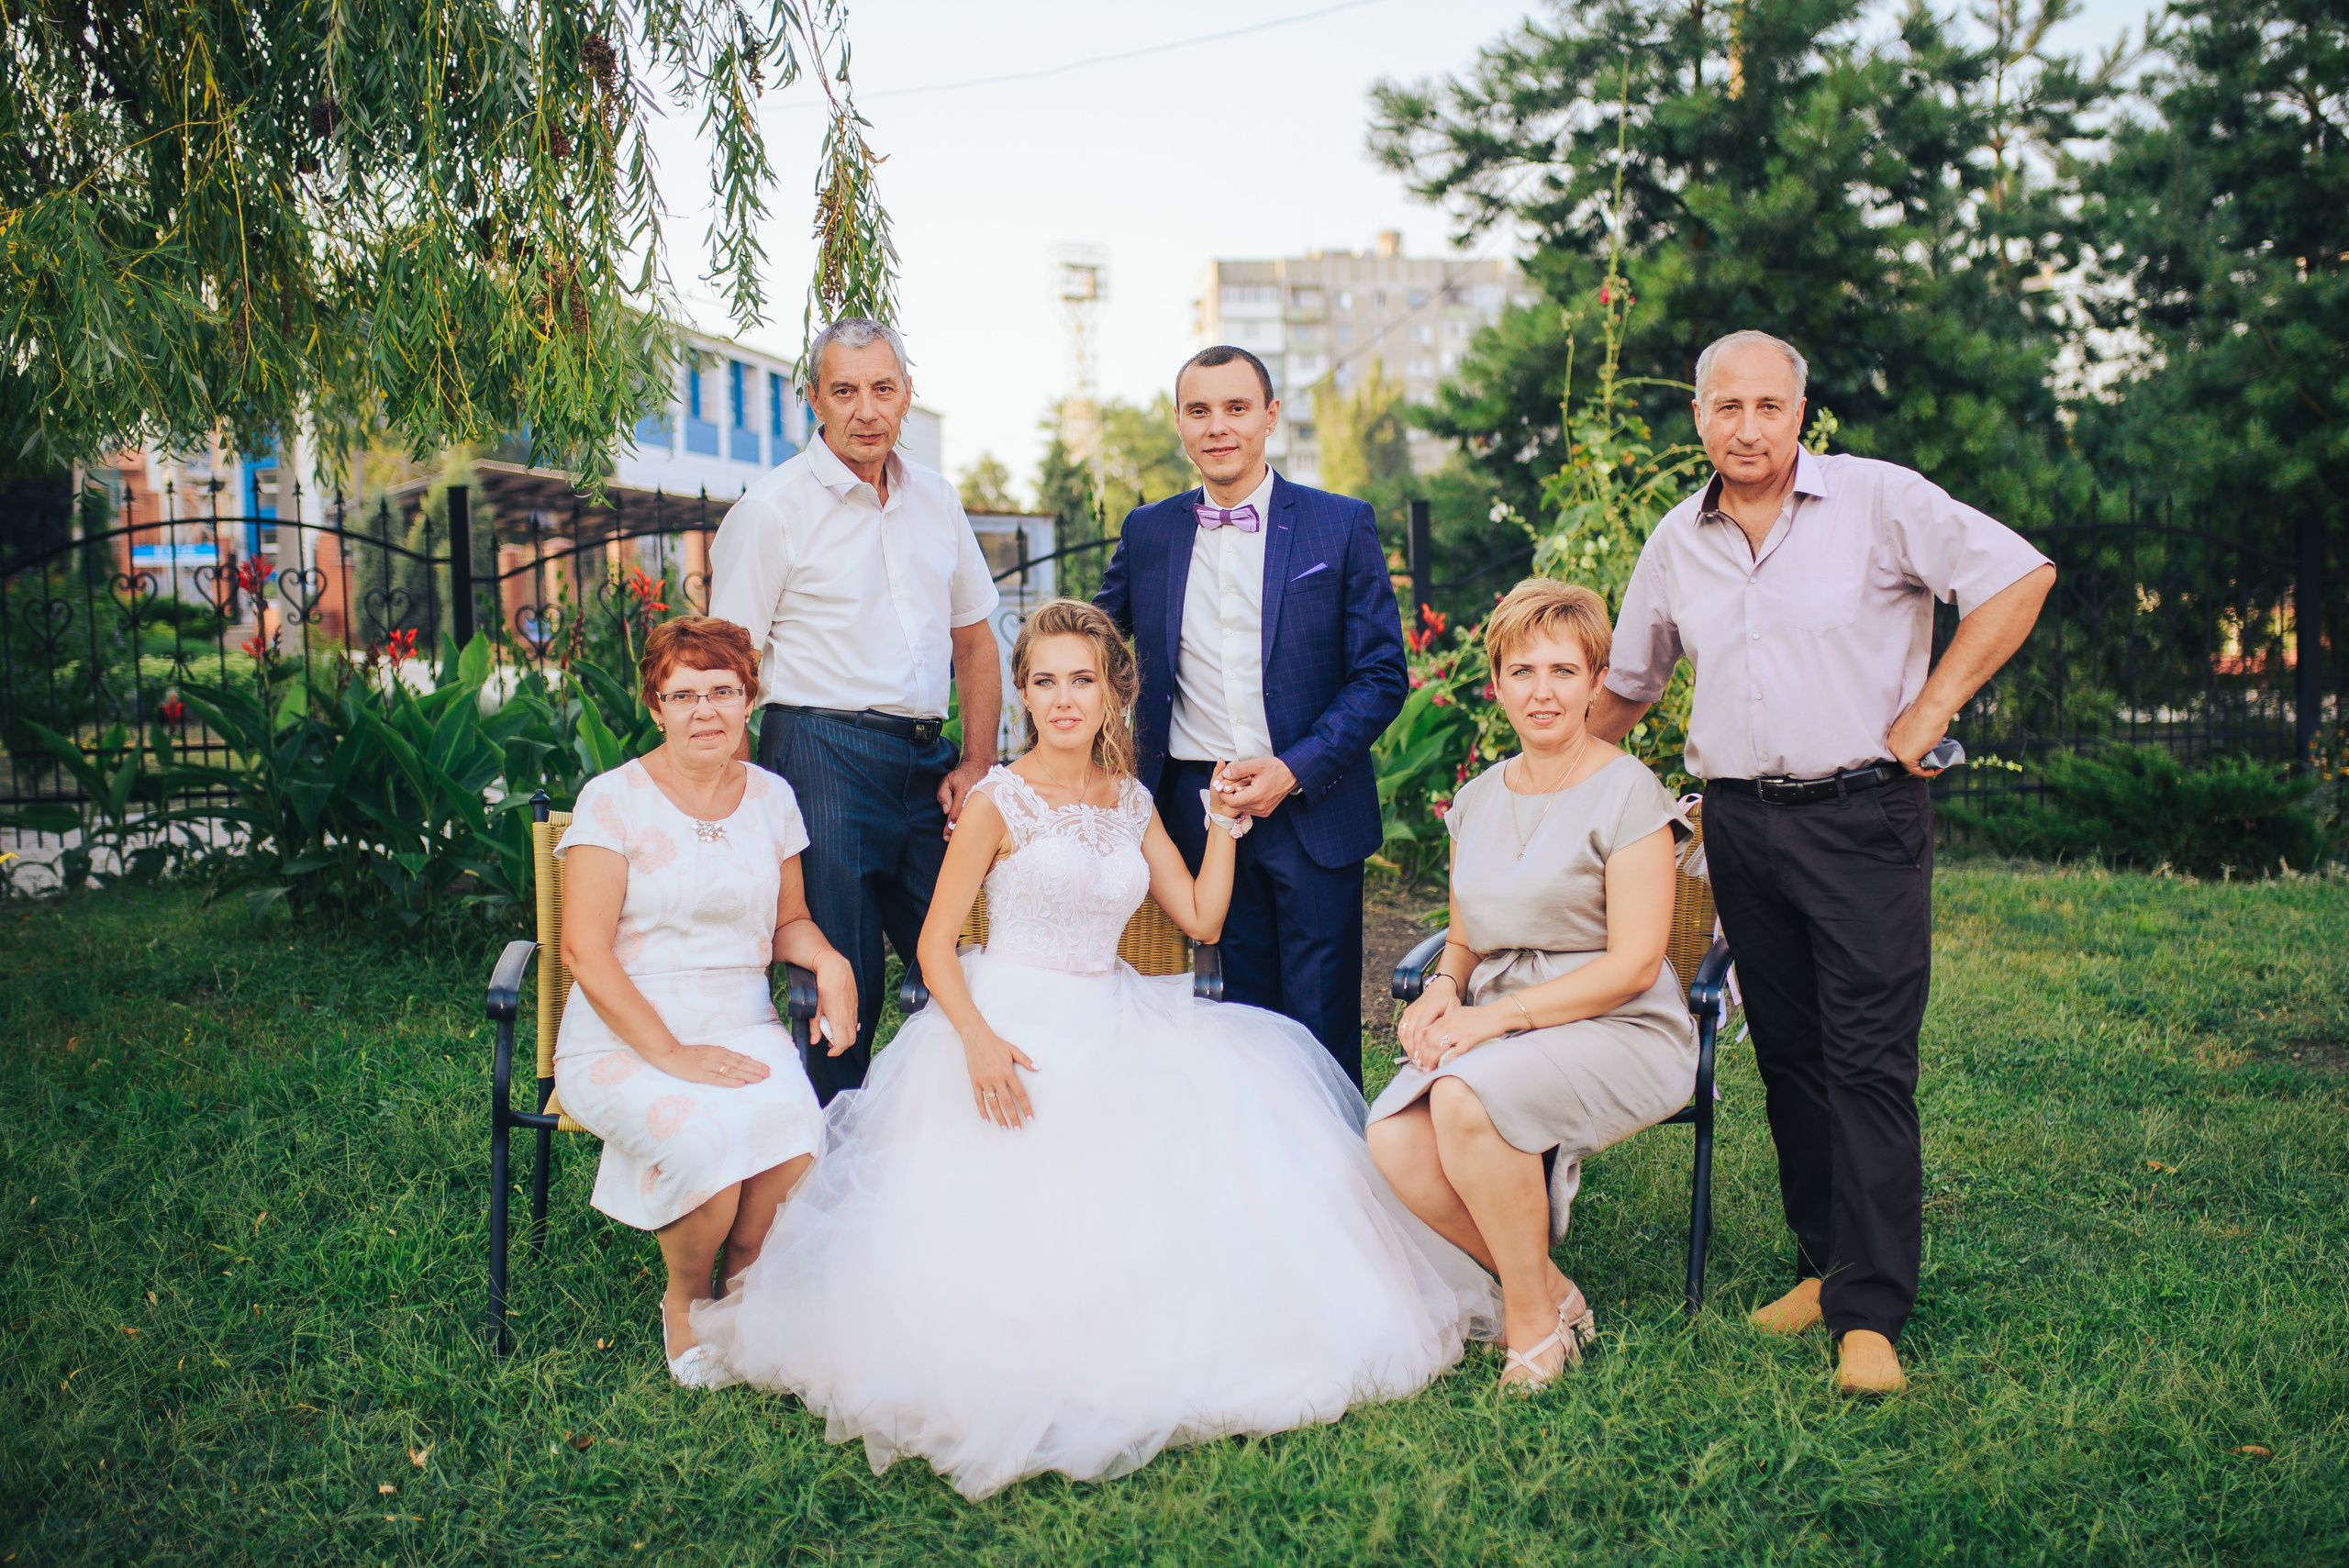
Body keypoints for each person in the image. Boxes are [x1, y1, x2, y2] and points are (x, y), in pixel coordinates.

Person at [693, 599, 1497, 1500]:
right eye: (1044, 681)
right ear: (1025, 693)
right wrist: (979, 1041)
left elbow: (1202, 918)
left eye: (1081, 679)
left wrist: (1221, 825)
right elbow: (933, 945)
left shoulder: (1132, 800)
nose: (1063, 698)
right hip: (1004, 1013)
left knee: (1224, 1141)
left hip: (1113, 1003)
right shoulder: (998, 798)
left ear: (1114, 691)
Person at [1589, 329, 2055, 1396]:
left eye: (1768, 405)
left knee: (1867, 1061)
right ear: (1699, 416)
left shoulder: (1877, 499)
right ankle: (1821, 1263)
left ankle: (1870, 1312)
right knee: (1792, 1057)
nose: (1746, 426)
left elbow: (2018, 576)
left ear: (1800, 413)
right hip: (1740, 825)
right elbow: (1630, 683)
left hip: (1861, 818)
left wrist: (1931, 706)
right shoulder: (1678, 538)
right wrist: (1539, 770)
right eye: (1726, 406)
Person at [1368, 580, 1695, 1388]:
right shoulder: (1476, 800)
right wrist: (1445, 989)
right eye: (1522, 671)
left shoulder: (1630, 793)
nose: (1541, 692)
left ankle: (1531, 1328)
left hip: (1622, 1025)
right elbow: (1465, 939)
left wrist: (1495, 1019)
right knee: (1394, 1137)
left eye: (1562, 670)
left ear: (1597, 682)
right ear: (1498, 684)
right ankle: (1550, 1291)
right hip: (1505, 1023)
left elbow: (1636, 963)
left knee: (1462, 1098)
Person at [551, 616, 858, 1386]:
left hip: (740, 1021)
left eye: (722, 691)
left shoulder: (772, 798)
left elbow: (789, 921)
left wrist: (830, 960)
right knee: (708, 1154)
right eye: (683, 694)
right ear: (655, 706)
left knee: (795, 1143)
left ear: (749, 699)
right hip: (622, 1033)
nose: (705, 711)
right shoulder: (611, 800)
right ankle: (685, 1302)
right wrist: (670, 1053)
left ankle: (741, 1285)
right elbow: (583, 950)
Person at [706, 317, 1003, 1105]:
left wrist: (978, 759)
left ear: (906, 395)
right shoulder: (771, 511)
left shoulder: (936, 499)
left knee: (971, 962)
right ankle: (828, 1161)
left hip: (928, 765)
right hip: (820, 754)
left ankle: (942, 1141)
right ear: (814, 399)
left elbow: (975, 640)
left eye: (882, 388)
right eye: (844, 391)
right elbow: (726, 670)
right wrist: (743, 808)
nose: (866, 410)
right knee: (845, 985)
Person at [1096, 345, 1407, 1085]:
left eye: (1236, 408)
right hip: (1196, 807)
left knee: (1322, 1022)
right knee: (1233, 1018)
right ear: (1179, 423)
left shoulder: (1340, 524)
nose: (1218, 426)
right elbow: (1093, 649)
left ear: (1270, 416)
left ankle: (1334, 1158)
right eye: (1199, 410)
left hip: (1313, 805)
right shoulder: (1147, 532)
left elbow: (1380, 674)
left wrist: (1294, 769)